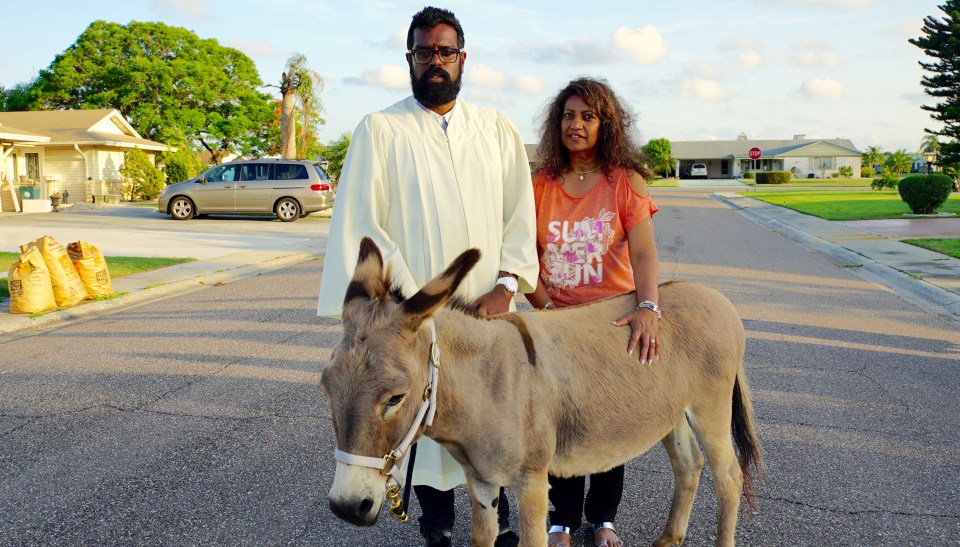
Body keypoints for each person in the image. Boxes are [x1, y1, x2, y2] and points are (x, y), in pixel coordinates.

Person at [316, 6, 538, 547]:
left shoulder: (497, 129)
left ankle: (501, 520)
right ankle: (436, 525)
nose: (434, 61)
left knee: (494, 413)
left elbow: (519, 213)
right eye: (423, 52)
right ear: (409, 59)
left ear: (463, 58)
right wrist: (415, 306)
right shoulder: (381, 129)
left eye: (445, 51)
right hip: (413, 315)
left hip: (487, 312)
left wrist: (507, 283)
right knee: (417, 419)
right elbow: (366, 223)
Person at [525, 77, 662, 547]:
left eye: (588, 116)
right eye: (568, 115)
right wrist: (546, 309)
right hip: (556, 326)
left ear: (607, 124)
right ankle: (560, 521)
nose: (576, 124)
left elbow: (644, 254)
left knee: (606, 424)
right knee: (558, 424)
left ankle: (603, 519)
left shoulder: (625, 182)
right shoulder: (539, 184)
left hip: (610, 323)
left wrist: (648, 306)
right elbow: (525, 256)